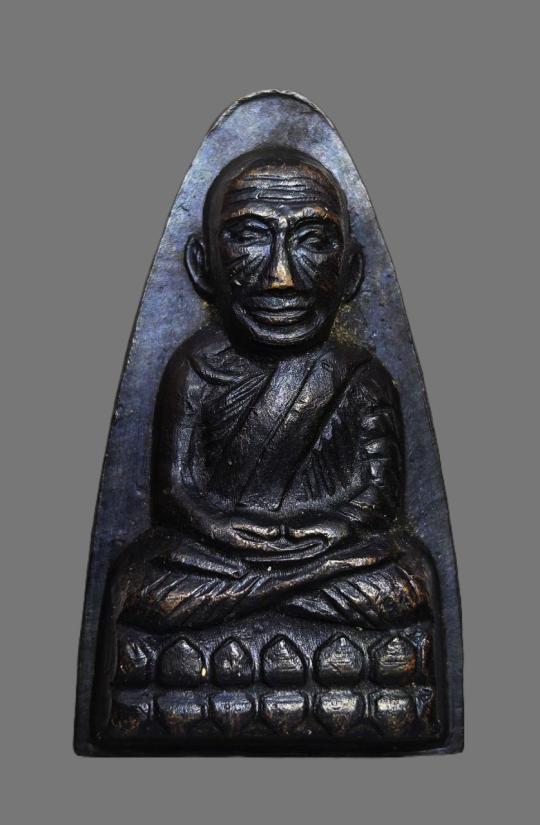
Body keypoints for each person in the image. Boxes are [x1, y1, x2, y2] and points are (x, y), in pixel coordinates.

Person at [102, 148, 434, 639]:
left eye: (313, 241)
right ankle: (285, 589)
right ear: (202, 265)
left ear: (350, 271)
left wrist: (339, 526)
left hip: (328, 556)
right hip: (220, 559)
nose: (281, 278)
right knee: (137, 582)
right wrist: (217, 527)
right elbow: (175, 493)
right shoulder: (195, 367)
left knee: (408, 578)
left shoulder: (360, 375)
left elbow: (379, 494)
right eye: (249, 237)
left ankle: (264, 594)